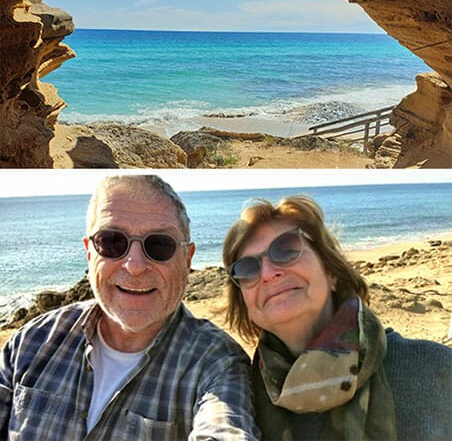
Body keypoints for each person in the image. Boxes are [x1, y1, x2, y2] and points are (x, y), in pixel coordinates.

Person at [0, 174, 259, 440]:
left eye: (159, 245)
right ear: (90, 253)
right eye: (112, 242)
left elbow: (225, 427)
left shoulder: (217, 363)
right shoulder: (30, 343)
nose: (134, 266)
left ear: (187, 259)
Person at [222, 195, 451, 441]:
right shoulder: (237, 400)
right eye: (247, 269)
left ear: (330, 270)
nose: (268, 273)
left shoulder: (435, 370)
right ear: (245, 304)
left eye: (287, 249)